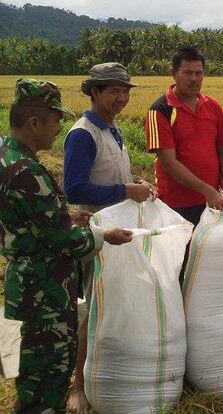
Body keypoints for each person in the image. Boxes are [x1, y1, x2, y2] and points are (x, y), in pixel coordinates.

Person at [0, 79, 132, 413]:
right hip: (44, 296)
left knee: (26, 383)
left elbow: (28, 217)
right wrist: (104, 236)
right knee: (48, 390)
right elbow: (64, 241)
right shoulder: (28, 172)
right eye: (55, 119)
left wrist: (64, 215)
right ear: (33, 123)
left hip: (17, 288)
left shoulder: (5, 156)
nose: (59, 128)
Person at [63, 62, 154, 413]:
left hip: (116, 228)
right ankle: (78, 387)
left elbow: (118, 177)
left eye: (125, 91)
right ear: (95, 92)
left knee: (113, 301)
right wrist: (125, 190)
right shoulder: (82, 134)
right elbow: (74, 187)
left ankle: (109, 371)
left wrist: (139, 185)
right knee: (93, 306)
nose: (121, 97)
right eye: (113, 90)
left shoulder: (112, 130)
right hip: (95, 231)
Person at [145, 47, 223, 228]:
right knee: (181, 254)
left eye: (198, 73)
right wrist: (207, 190)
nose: (194, 79)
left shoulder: (212, 106)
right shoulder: (160, 110)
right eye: (187, 73)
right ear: (173, 73)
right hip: (175, 204)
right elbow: (169, 164)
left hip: (211, 201)